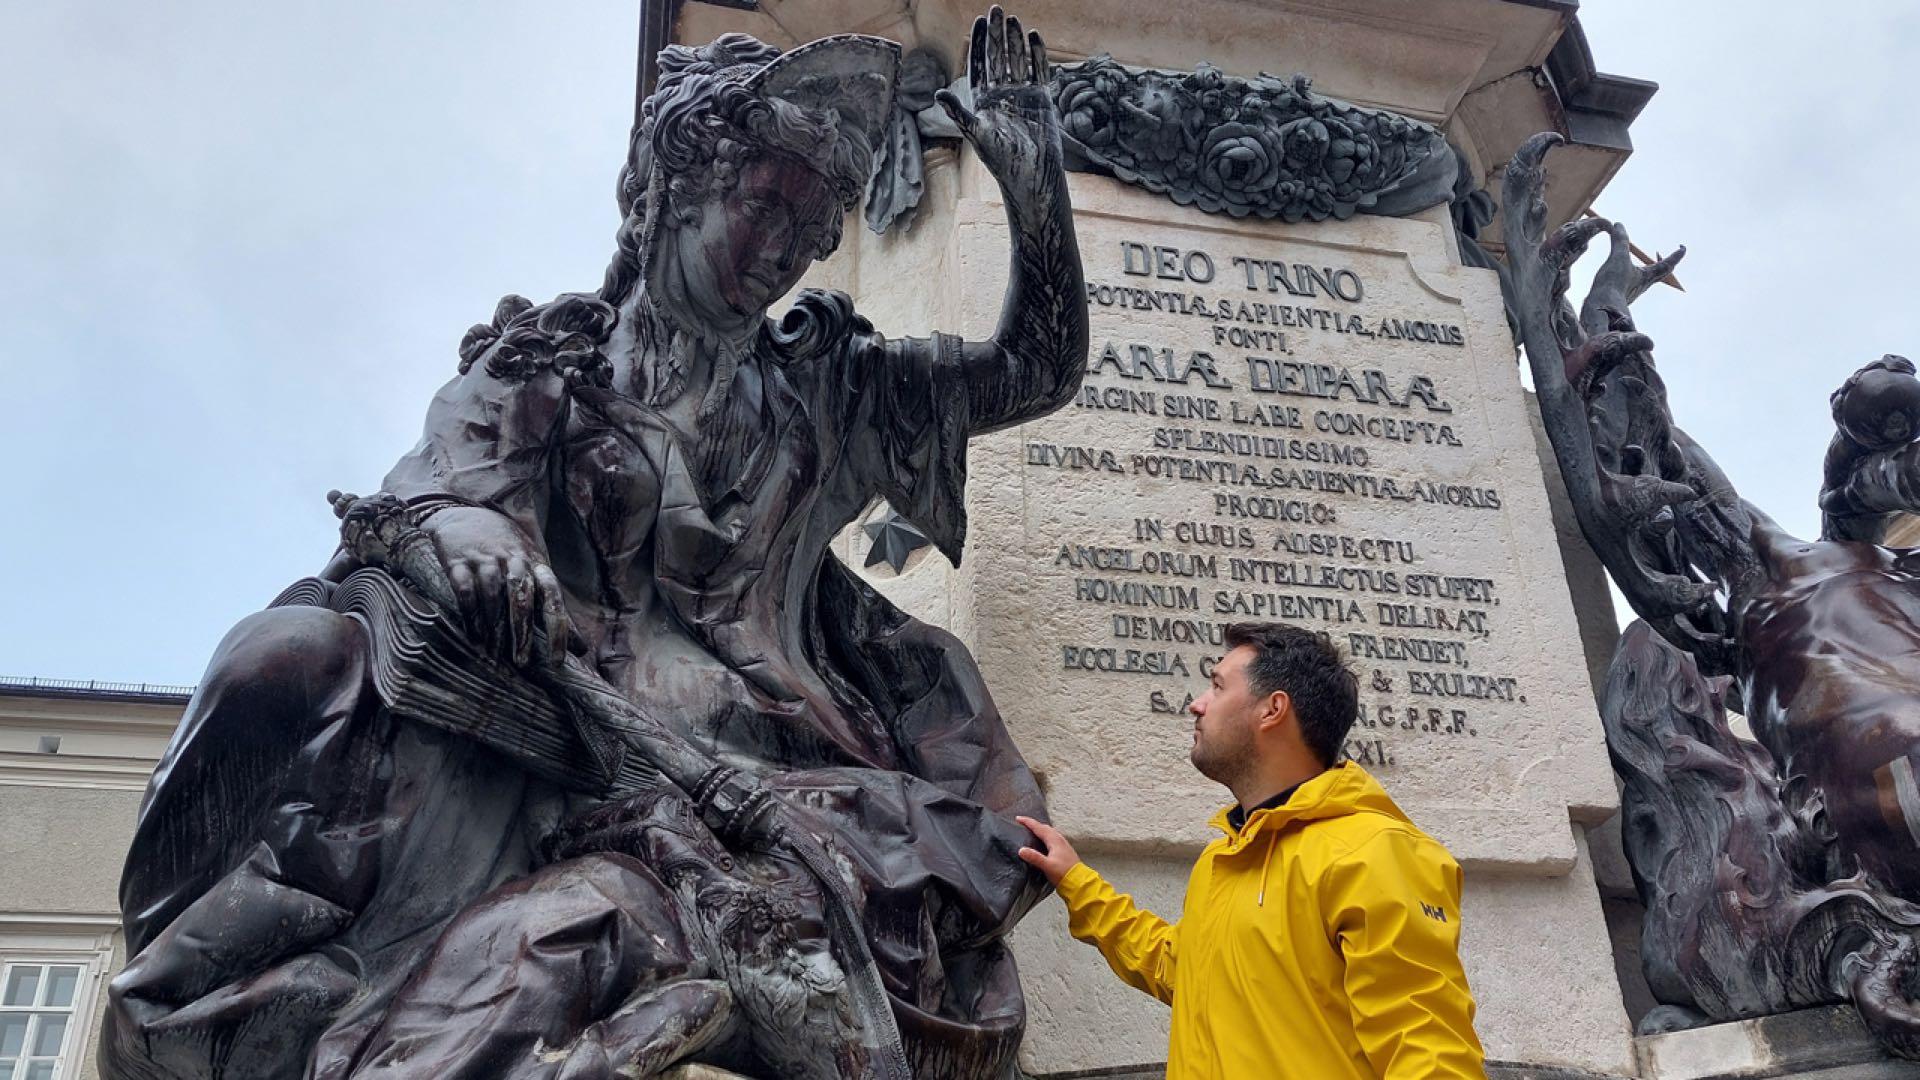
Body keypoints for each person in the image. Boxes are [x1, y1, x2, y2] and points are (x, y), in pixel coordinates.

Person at [103, 9, 1086, 1079]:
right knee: (288, 658)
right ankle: (222, 995)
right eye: (760, 207)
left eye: (807, 233)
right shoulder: (545, 367)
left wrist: (1032, 184)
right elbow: (425, 497)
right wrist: (473, 529)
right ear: (674, 190)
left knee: (599, 917)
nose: (779, 255)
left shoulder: (824, 382)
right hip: (547, 714)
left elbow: (1028, 374)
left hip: (773, 748)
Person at [1017, 622, 1487, 1079]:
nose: (1197, 705)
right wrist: (1076, 881)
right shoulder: (1221, 862)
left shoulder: (1375, 854)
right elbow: (1179, 966)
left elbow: (1428, 1052)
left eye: (1217, 687)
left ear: (1272, 709)